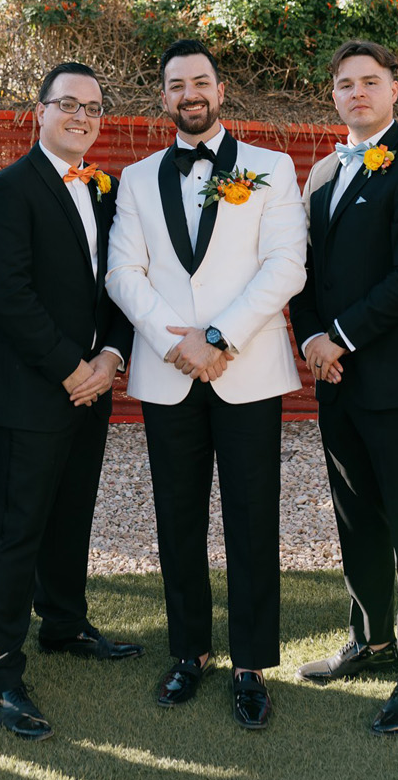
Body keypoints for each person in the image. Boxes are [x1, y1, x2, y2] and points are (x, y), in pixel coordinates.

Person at [106, 38, 306, 730]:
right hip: (169, 375)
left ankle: (251, 663)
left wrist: (218, 338)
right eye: (175, 85)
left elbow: (285, 267)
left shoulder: (270, 167)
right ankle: (189, 651)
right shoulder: (134, 180)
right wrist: (179, 344)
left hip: (246, 371)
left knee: (254, 521)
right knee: (177, 521)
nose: (189, 94)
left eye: (201, 82)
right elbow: (123, 274)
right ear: (163, 97)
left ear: (220, 91)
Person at [0, 61, 140, 742]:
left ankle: (64, 623)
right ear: (38, 113)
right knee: (17, 528)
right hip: (31, 389)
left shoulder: (107, 190)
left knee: (72, 512)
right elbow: (7, 294)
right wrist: (70, 367)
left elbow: (127, 282)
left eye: (93, 107)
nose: (80, 116)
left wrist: (110, 357)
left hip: (93, 384)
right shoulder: (9, 191)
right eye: (67, 104)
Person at [288, 40, 398, 735]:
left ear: (394, 90)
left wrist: (341, 337)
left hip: (394, 373)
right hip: (335, 378)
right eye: (345, 84)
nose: (357, 92)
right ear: (333, 96)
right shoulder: (322, 171)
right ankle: (372, 636)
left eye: (370, 82)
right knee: (355, 512)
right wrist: (310, 341)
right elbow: (302, 272)